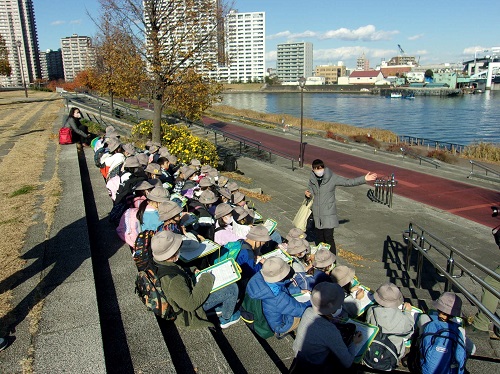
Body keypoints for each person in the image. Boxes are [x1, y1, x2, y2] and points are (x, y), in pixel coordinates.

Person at [151, 230, 240, 329]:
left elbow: (176, 269)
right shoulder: (174, 280)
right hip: (190, 313)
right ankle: (227, 318)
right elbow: (190, 304)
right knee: (232, 288)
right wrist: (206, 278)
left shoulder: (158, 263)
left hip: (182, 297)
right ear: (171, 254)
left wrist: (192, 269)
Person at [304, 159, 377, 255]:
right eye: (317, 169)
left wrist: (364, 179)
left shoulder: (332, 178)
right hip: (317, 214)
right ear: (313, 169)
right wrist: (307, 194)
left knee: (328, 238)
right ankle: (322, 259)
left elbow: (348, 182)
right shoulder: (312, 179)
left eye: (321, 168)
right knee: (320, 239)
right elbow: (310, 190)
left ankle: (332, 260)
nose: (319, 170)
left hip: (328, 213)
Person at [291, 282, 363, 373]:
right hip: (316, 366)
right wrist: (354, 343)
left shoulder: (308, 311)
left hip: (300, 357)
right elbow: (347, 362)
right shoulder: (330, 330)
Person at [412, 292, 475, 374]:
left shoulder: (426, 322)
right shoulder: (460, 330)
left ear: (438, 308)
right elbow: (473, 350)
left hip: (426, 368)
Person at [246, 257, 311, 337]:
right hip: (280, 325)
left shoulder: (259, 280)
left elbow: (281, 289)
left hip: (270, 316)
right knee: (307, 314)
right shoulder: (278, 298)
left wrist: (298, 290)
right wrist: (313, 300)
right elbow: (301, 310)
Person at [366, 282, 415, 360]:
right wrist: (408, 313)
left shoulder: (371, 311)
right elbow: (409, 333)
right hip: (394, 352)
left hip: (373, 347)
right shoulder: (402, 318)